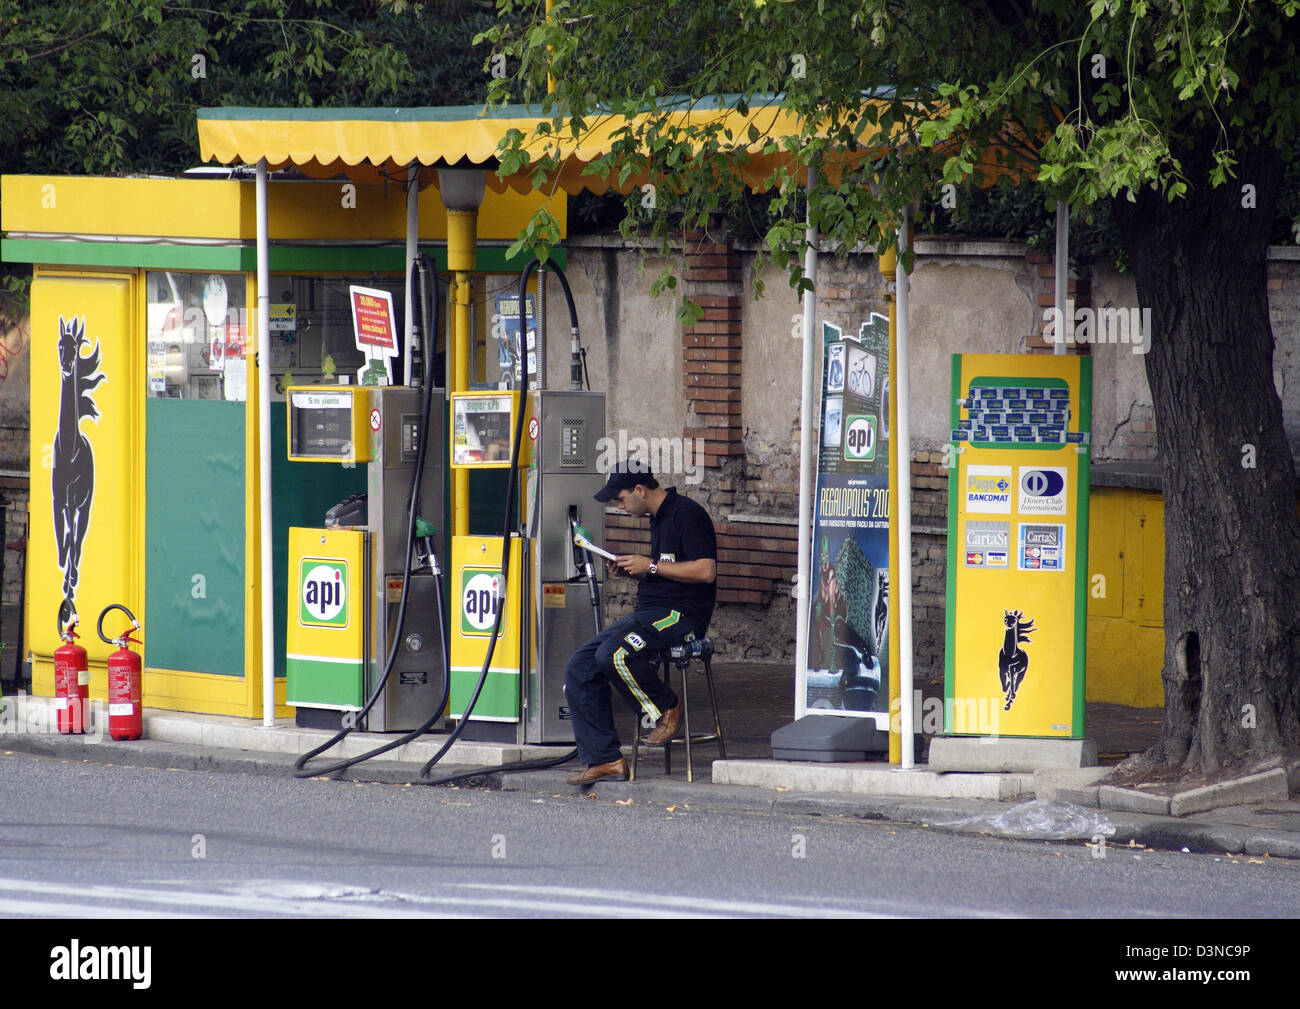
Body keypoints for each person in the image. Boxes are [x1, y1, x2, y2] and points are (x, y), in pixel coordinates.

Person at [565, 460, 717, 784]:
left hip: (681, 616)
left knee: (614, 655)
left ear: (639, 490)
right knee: (579, 665)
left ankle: (667, 708)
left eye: (620, 499)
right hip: (650, 611)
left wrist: (649, 567)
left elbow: (705, 571)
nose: (619, 507)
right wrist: (633, 569)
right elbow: (664, 571)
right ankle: (606, 759)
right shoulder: (657, 518)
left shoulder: (687, 514)